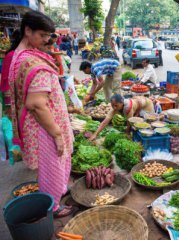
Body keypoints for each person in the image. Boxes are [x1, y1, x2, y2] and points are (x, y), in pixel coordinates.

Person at [8, 11, 74, 217]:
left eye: (49, 35)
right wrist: (56, 133)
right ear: (28, 31)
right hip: (44, 126)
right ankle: (53, 207)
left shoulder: (19, 56)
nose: (47, 40)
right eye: (43, 35)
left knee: (52, 166)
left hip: (40, 123)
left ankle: (58, 193)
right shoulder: (32, 62)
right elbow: (36, 104)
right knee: (52, 167)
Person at [89, 94, 155, 141]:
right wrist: (95, 134)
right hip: (138, 102)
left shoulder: (127, 107)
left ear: (122, 103)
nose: (114, 107)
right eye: (112, 105)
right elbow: (105, 122)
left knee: (149, 124)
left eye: (116, 105)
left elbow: (129, 124)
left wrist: (126, 135)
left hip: (147, 104)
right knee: (138, 124)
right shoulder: (114, 109)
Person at [0, 29, 21, 111]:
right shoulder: (12, 54)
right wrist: (7, 93)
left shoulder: (13, 53)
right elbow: (5, 75)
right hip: (11, 92)